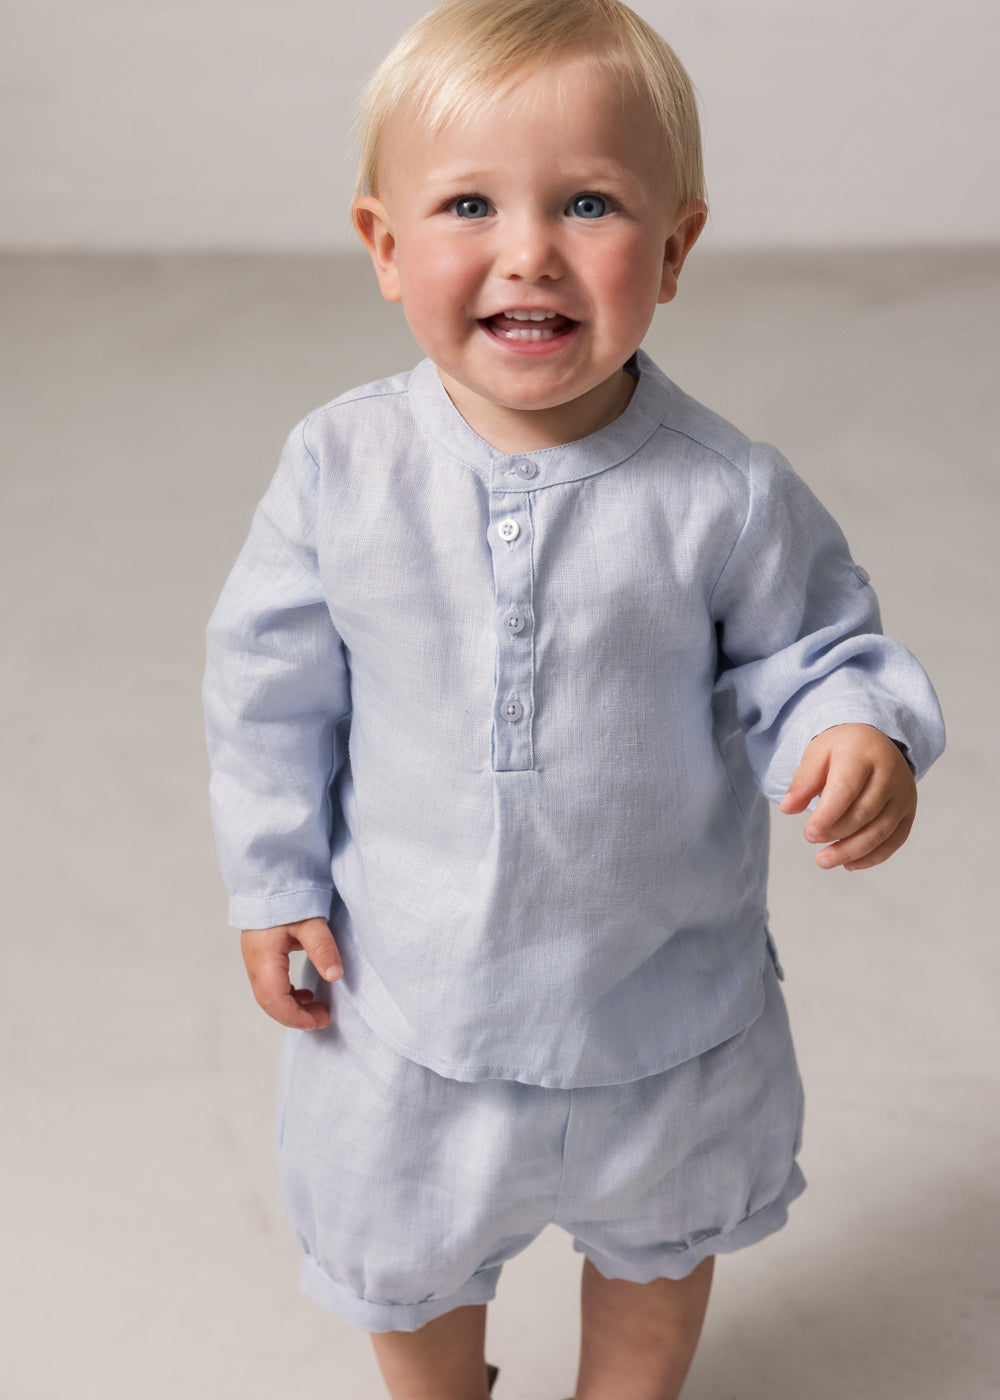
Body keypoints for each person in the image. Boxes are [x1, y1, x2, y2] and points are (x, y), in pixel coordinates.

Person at [203, 1, 945, 1396]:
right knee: (404, 1251)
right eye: (469, 203)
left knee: (664, 1243)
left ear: (673, 252)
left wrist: (856, 730)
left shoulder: (723, 494)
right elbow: (267, 687)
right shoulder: (341, 468)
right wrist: (270, 876)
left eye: (589, 203)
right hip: (413, 998)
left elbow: (812, 650)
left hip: (657, 1002)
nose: (528, 251)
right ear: (383, 245)